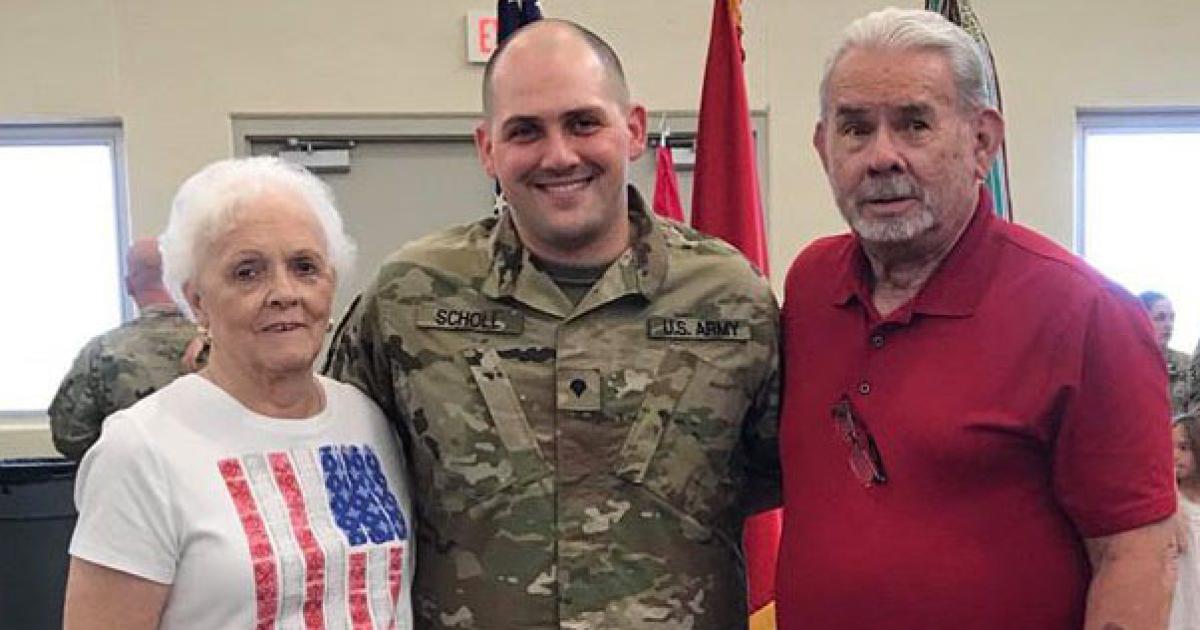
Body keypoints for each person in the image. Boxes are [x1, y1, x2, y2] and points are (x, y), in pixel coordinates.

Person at [326, 19, 779, 629]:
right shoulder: (409, 298)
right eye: (525, 131)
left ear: (634, 129)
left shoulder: (730, 299)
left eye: (583, 122)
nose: (559, 155)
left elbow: (786, 476)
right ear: (487, 148)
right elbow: (331, 470)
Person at [776, 8, 1175, 629]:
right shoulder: (808, 287)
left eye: (914, 125)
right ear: (824, 147)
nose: (882, 157)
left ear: (982, 141)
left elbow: (1136, 554)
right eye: (856, 129)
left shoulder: (1086, 313)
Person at [63, 157, 414, 629]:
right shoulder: (141, 450)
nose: (284, 292)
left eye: (305, 266)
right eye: (248, 272)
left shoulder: (367, 420)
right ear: (197, 301)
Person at [48, 237, 200, 460]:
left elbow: (70, 439)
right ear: (186, 281)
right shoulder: (224, 345)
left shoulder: (101, 352)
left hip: (135, 483)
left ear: (129, 286)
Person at [1141, 291, 1191, 414]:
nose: (1169, 325)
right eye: (1160, 318)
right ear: (1141, 320)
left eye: (1171, 318)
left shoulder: (1186, 364)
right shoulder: (1125, 365)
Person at [1172, 415, 1200, 629]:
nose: (1174, 456)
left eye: (1183, 447)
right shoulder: (1171, 502)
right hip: (1179, 600)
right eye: (1169, 447)